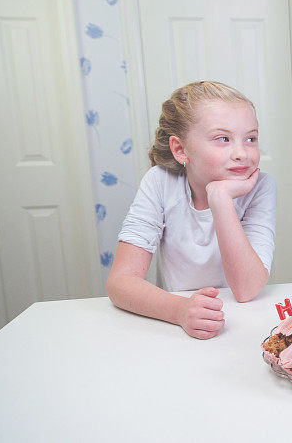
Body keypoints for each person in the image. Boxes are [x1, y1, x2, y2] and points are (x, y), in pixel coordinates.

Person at [106, 81, 276, 340]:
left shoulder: (260, 186)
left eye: (250, 138)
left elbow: (246, 289)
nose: (242, 153)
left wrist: (220, 199)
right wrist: (180, 310)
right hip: (178, 323)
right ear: (180, 150)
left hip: (243, 324)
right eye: (223, 139)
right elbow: (120, 282)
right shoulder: (159, 182)